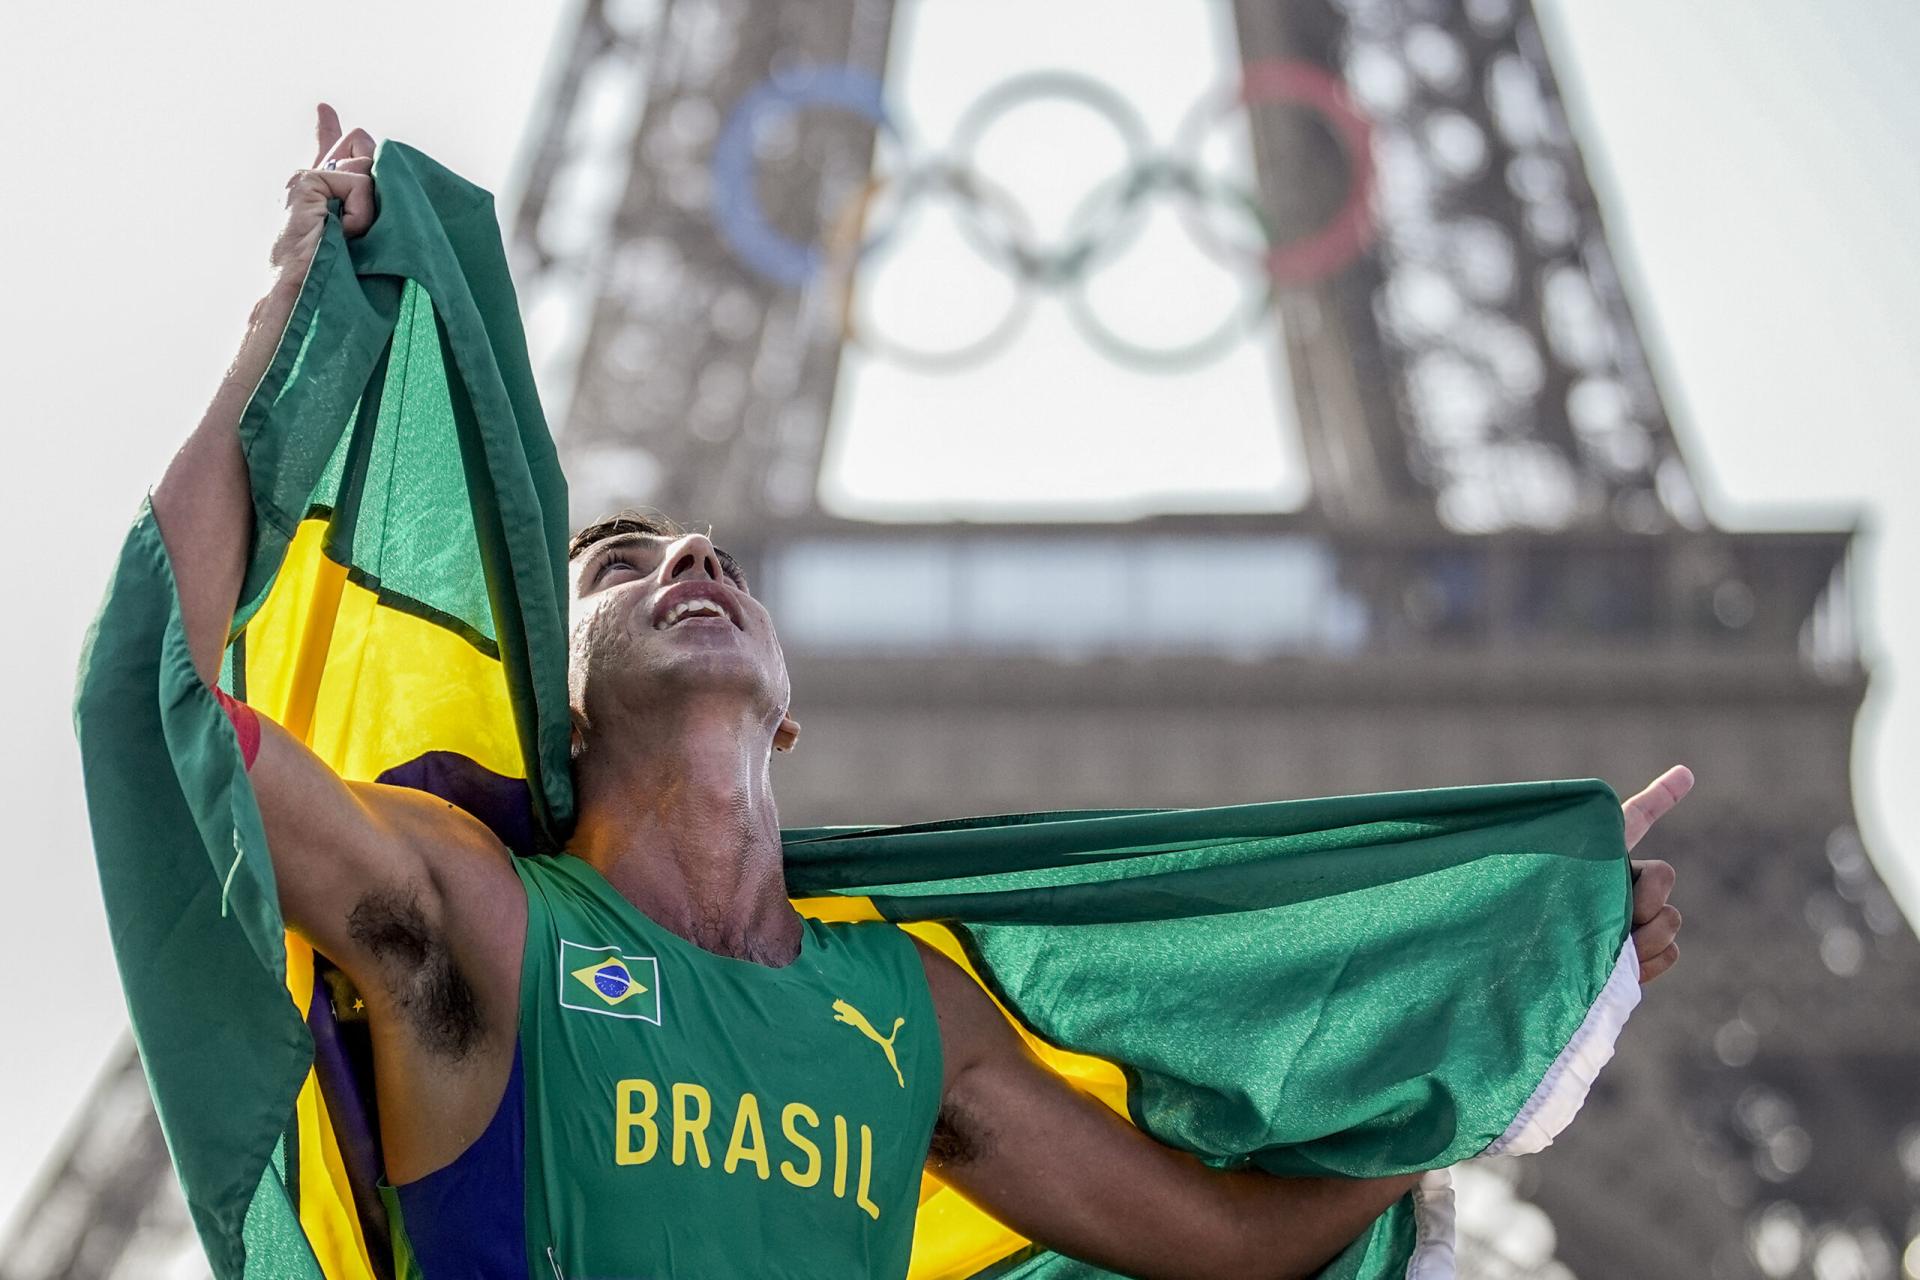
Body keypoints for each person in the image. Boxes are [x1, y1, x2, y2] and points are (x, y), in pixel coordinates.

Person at [146, 104, 1687, 1279]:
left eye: (720, 559)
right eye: (620, 565)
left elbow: (1228, 1248)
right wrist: (286, 334)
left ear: (789, 708)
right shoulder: (482, 917)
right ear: (559, 702)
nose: (688, 553)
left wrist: (1511, 1025)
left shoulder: (905, 1012)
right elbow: (180, 714)